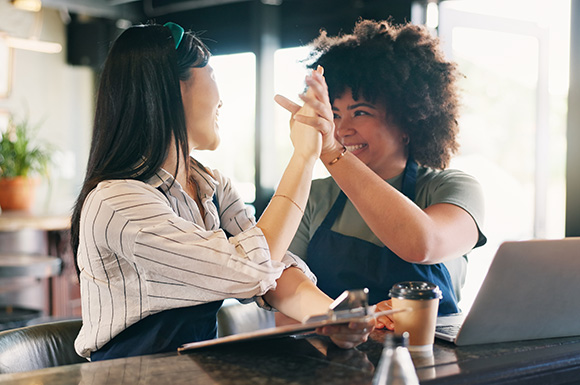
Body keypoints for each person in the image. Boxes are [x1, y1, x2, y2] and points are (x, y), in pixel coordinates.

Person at [70, 22, 372, 361]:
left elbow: (273, 269)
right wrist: (303, 157)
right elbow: (252, 267)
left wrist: (333, 317)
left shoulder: (212, 187)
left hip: (193, 371)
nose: (221, 100)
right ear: (174, 88)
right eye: (212, 76)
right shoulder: (116, 203)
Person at [275, 19, 487, 329]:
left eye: (361, 112)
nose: (342, 129)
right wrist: (349, 320)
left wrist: (331, 151)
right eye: (334, 115)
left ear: (408, 121)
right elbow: (283, 307)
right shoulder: (312, 196)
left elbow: (422, 244)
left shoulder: (452, 188)